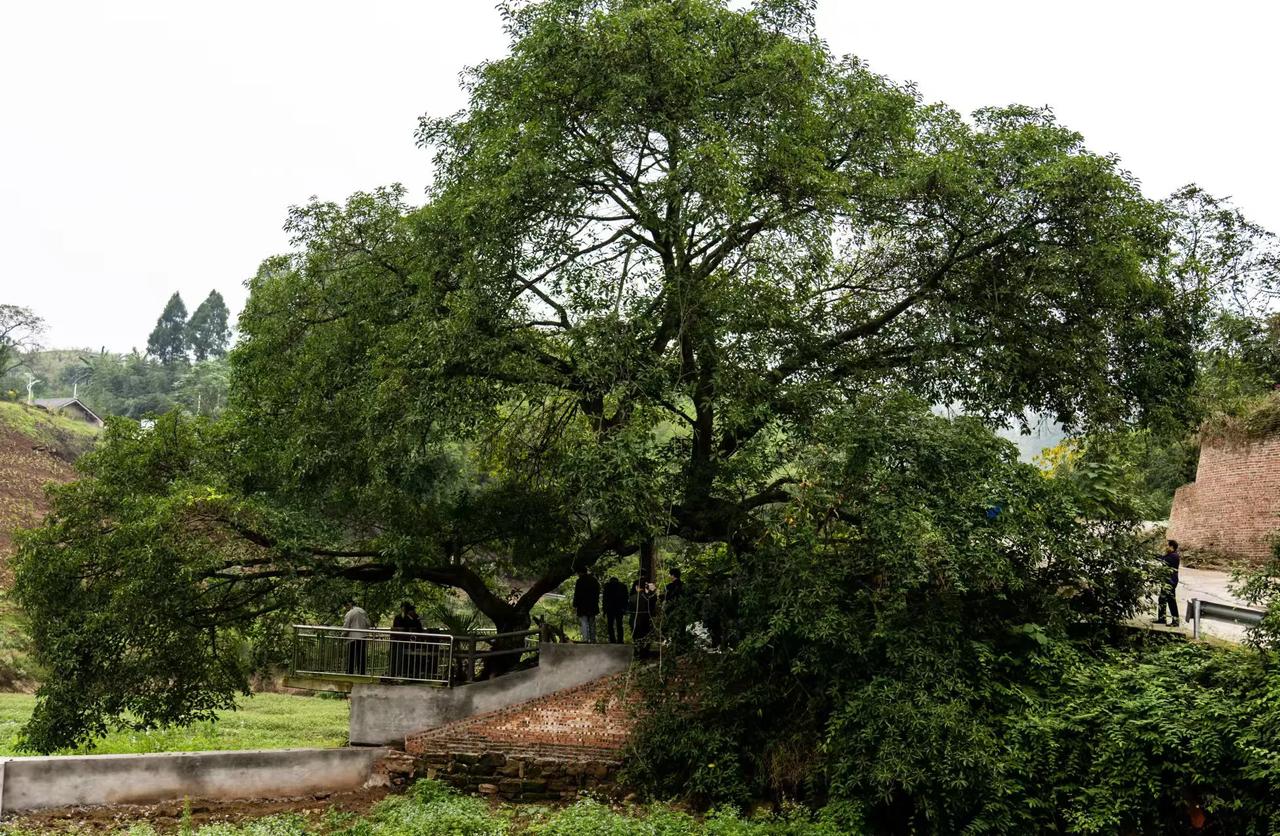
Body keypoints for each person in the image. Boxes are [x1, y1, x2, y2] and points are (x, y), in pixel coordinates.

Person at [390, 601, 424, 678]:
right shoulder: (399, 617)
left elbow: (419, 628)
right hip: (401, 641)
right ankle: (399, 671)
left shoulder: (416, 618)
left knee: (413, 657)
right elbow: (398, 627)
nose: (413, 612)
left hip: (413, 642)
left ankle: (413, 671)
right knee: (400, 656)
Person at [1153, 539, 1181, 627]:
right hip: (1167, 580)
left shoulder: (1174, 556)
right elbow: (1162, 558)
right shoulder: (1171, 555)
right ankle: (1162, 618)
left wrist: (1154, 555)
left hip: (1171, 581)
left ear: (1172, 547)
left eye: (1167, 545)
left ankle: (1175, 621)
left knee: (1171, 601)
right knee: (1162, 599)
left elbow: (1163, 559)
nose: (1166, 547)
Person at [343, 599, 371, 675]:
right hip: (363, 636)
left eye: (346, 606)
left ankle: (350, 671)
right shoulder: (362, 611)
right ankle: (361, 672)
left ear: (348, 604)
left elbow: (346, 626)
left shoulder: (350, 613)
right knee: (361, 655)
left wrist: (343, 635)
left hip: (353, 637)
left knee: (351, 655)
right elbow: (368, 623)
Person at [629, 579, 657, 657]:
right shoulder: (648, 597)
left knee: (635, 636)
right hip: (645, 619)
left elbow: (629, 609)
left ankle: (637, 651)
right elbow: (654, 601)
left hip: (634, 619)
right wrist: (652, 590)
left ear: (636, 587)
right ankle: (644, 652)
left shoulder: (632, 598)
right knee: (645, 635)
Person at [573, 570, 601, 643]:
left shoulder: (579, 581)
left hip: (582, 606)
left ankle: (585, 639)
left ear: (580, 572)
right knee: (592, 623)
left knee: (584, 622)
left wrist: (575, 605)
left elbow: (577, 594)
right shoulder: (594, 580)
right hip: (592, 605)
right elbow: (597, 593)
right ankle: (593, 639)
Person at [602, 575, 629, 644]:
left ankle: (612, 640)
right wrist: (625, 608)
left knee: (610, 625)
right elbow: (626, 598)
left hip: (610, 609)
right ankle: (620, 640)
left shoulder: (607, 586)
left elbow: (604, 599)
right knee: (619, 625)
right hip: (619, 609)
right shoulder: (622, 586)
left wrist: (604, 610)